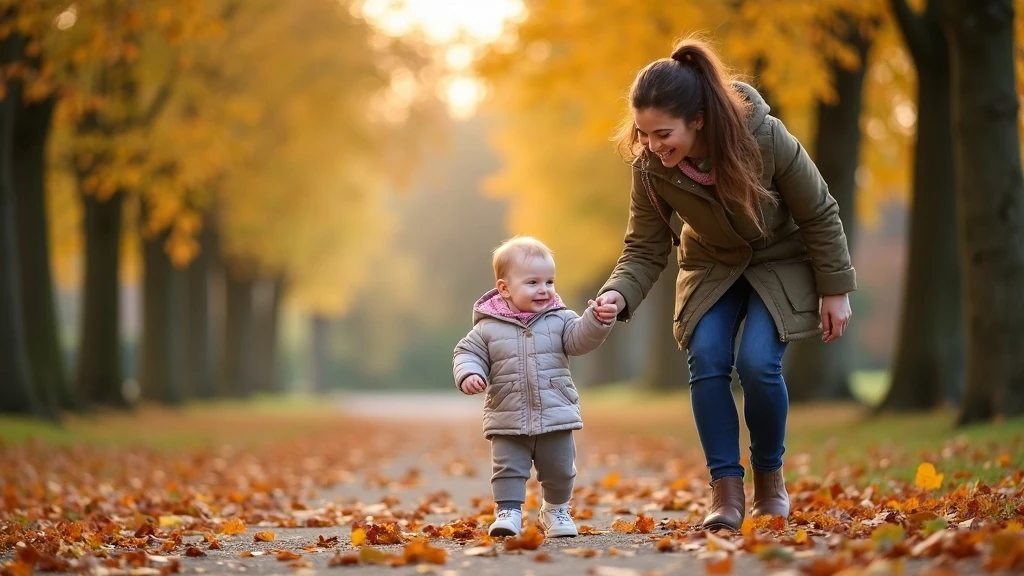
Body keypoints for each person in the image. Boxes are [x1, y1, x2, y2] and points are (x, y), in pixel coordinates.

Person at [590, 37, 856, 532]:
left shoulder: (765, 138)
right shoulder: (650, 168)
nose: (652, 146)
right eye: (643, 134)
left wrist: (835, 289)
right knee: (708, 356)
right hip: (712, 266)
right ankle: (725, 492)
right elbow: (645, 248)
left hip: (781, 261)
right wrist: (617, 294)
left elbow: (819, 213)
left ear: (698, 119)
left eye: (662, 133)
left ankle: (770, 481)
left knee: (758, 363)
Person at [453, 236, 616, 538]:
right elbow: (466, 352)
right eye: (532, 282)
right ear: (504, 288)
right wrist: (469, 374)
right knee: (508, 469)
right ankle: (508, 511)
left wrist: (596, 321)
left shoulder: (562, 319)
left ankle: (555, 510)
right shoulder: (487, 327)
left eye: (549, 281)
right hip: (507, 414)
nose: (544, 289)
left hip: (555, 412)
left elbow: (580, 340)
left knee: (560, 469)